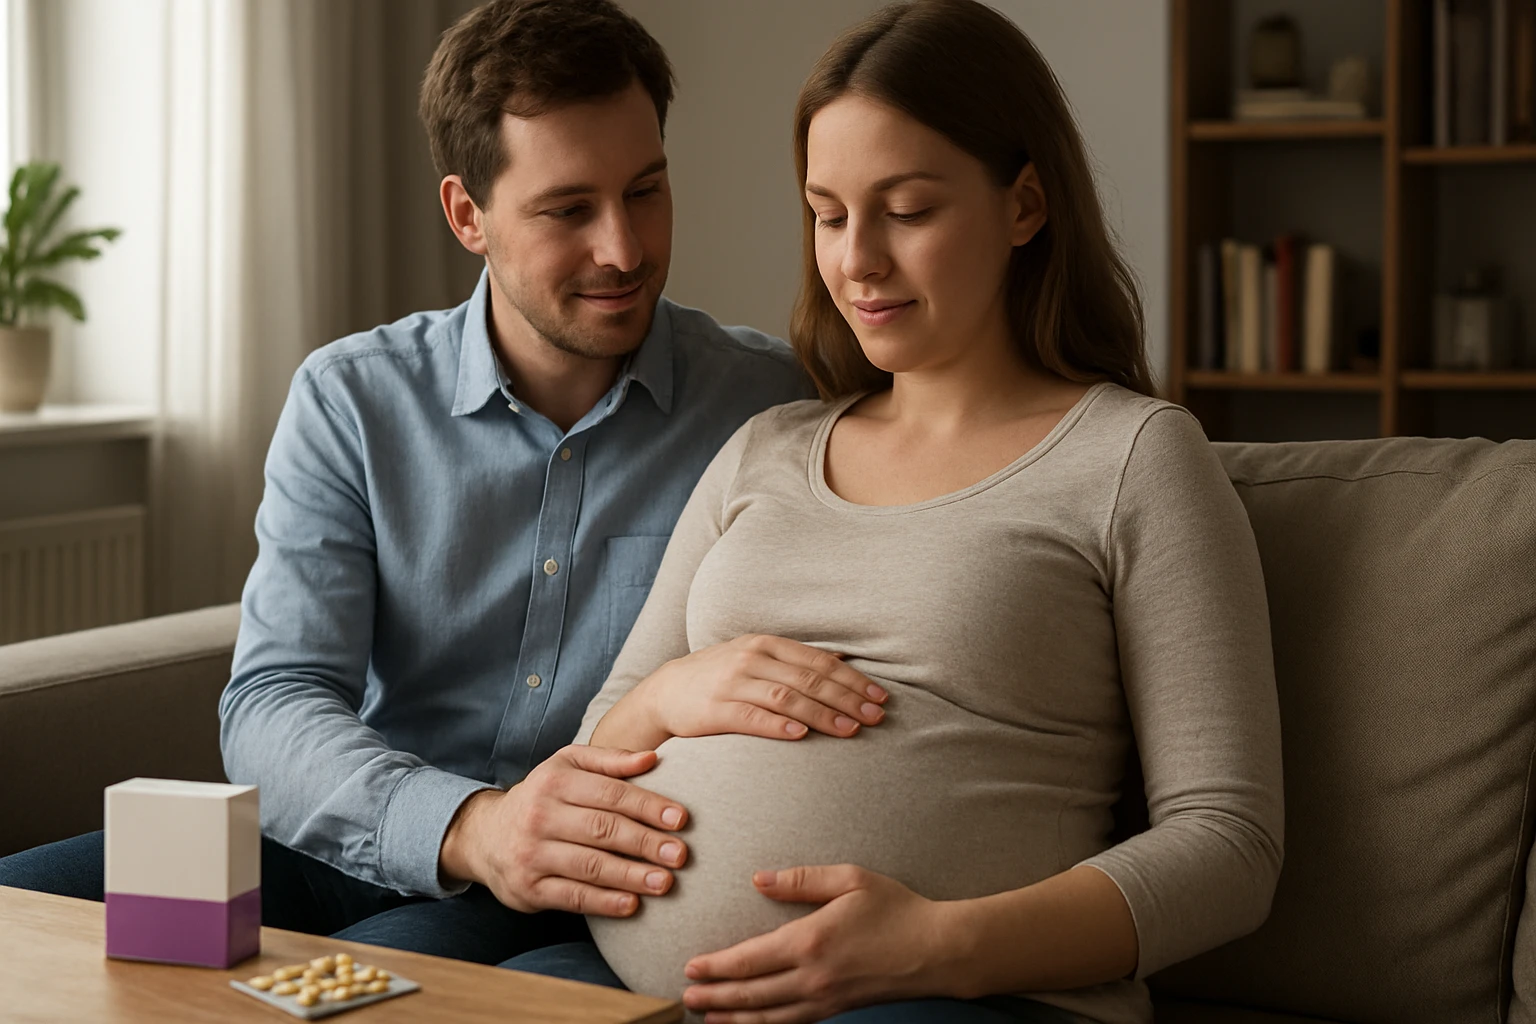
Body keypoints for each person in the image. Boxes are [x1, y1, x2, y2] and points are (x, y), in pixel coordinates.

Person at [496, 1, 1286, 1022]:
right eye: (828, 214)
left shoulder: (1132, 457)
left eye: (906, 210)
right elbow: (600, 747)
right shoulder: (764, 450)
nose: (856, 259)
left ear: (1026, 205)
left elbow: (1230, 846)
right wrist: (674, 692)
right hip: (646, 985)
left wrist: (936, 947)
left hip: (964, 997)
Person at [0, 0, 816, 967]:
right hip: (349, 833)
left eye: (645, 191)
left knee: (368, 985)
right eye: (568, 210)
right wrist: (473, 826)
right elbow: (273, 700)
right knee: (23, 920)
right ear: (467, 215)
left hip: (594, 885)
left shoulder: (769, 405)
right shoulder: (353, 399)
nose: (624, 250)